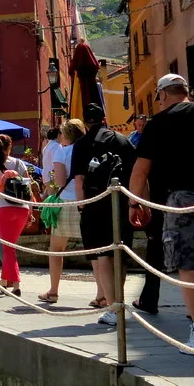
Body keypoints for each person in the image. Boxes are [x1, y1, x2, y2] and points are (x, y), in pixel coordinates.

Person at [127, 75, 194, 351]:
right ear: (186, 91)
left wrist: (135, 204)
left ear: (162, 95)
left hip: (181, 198)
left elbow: (141, 169)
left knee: (189, 265)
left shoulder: (159, 123)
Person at [71, 104, 136, 324]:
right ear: (104, 119)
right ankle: (120, 301)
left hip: (95, 204)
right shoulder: (121, 140)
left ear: (85, 122)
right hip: (121, 202)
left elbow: (79, 180)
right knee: (120, 253)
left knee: (103, 255)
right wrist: (137, 204)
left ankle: (113, 307)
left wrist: (82, 205)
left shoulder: (81, 145)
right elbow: (136, 173)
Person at [38, 118, 85, 304]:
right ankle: (102, 295)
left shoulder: (61, 152)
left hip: (66, 202)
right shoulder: (89, 150)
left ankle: (53, 291)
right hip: (86, 202)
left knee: (56, 249)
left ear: (66, 135)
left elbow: (58, 180)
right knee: (97, 251)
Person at [0, 134, 35, 296]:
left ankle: (16, 284)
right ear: (10, 147)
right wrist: (31, 212)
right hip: (22, 209)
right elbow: (29, 190)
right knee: (10, 246)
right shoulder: (19, 163)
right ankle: (5, 280)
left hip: (3, 209)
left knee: (9, 249)